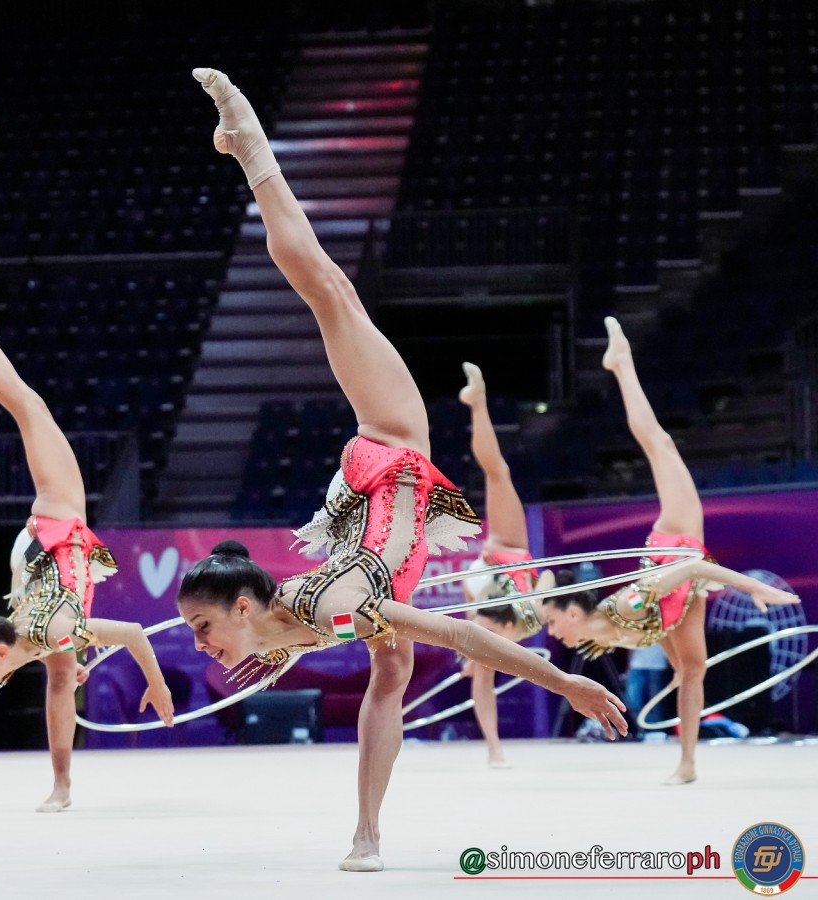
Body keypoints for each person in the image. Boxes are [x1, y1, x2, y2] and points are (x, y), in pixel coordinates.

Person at [178, 69, 629, 871]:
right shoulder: (283, 627)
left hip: (391, 444)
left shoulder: (329, 605)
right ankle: (367, 834)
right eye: (197, 633)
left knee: (331, 293)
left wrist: (565, 684)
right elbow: (304, 632)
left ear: (244, 605)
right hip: (378, 501)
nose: (202, 644)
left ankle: (250, 144)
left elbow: (461, 632)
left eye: (204, 628)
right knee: (390, 671)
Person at [0, 265, 176, 813]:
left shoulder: (45, 630)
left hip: (54, 523)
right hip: (41, 558)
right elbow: (61, 632)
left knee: (28, 406)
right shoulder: (29, 637)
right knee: (62, 674)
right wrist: (74, 648)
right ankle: (61, 785)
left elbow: (134, 633)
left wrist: (156, 685)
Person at [537, 317, 800, 784]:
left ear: (574, 614)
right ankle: (688, 764)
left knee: (661, 443)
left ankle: (622, 364)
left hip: (678, 547)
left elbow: (694, 567)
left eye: (554, 624)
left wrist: (753, 587)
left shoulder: (629, 604)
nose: (553, 634)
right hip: (676, 600)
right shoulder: (602, 630)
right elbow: (649, 627)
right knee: (692, 671)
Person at [455, 362, 558, 768]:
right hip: (514, 553)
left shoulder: (486, 625)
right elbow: (547, 576)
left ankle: (477, 402)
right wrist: (536, 594)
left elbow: (471, 610)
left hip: (501, 555)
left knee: (498, 472)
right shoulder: (524, 620)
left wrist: (470, 657)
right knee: (498, 472)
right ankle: (477, 401)